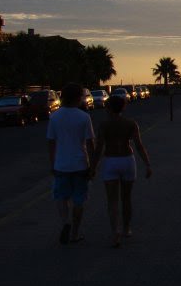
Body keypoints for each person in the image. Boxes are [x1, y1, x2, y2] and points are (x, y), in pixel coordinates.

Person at [90, 95, 152, 247]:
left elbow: (98, 148)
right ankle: (127, 228)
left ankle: (115, 232)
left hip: (110, 160)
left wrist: (93, 167)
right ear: (123, 107)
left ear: (108, 108)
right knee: (126, 198)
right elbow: (139, 145)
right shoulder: (131, 124)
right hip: (127, 160)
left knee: (112, 201)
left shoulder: (104, 125)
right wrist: (147, 164)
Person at [47, 83, 95, 244]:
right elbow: (90, 143)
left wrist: (52, 163)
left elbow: (51, 143)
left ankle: (65, 222)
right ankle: (75, 232)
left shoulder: (54, 117)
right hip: (80, 163)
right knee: (79, 199)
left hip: (61, 164)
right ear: (78, 98)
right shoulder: (84, 117)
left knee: (61, 197)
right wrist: (93, 164)